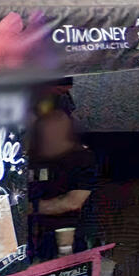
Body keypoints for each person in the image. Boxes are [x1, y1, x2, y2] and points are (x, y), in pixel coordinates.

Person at [28, 109, 100, 261]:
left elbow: (72, 202)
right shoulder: (35, 160)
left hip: (76, 242)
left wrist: (26, 209)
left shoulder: (83, 159)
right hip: (38, 242)